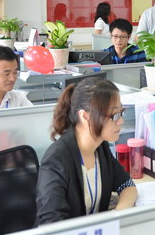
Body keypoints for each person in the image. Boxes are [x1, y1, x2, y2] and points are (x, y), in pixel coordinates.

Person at [36, 78, 137, 224]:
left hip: (99, 233)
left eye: (121, 112)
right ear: (85, 116)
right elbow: (51, 222)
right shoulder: (56, 161)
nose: (120, 121)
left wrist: (117, 215)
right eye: (114, 115)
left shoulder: (100, 148)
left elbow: (127, 185)